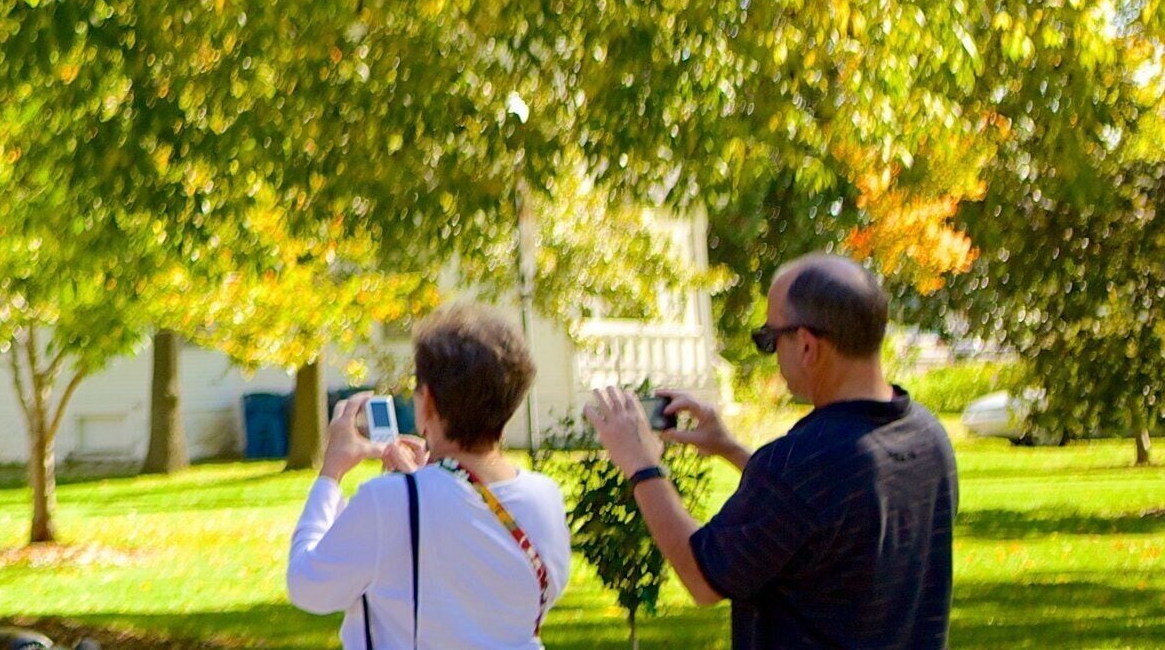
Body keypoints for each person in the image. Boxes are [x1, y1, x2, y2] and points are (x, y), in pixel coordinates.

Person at [586, 252, 954, 650]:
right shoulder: (927, 435)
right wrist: (730, 448)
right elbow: (824, 513)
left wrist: (641, 464)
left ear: (808, 346)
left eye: (769, 339)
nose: (772, 353)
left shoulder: (801, 464)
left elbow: (703, 577)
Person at [284, 306, 572, 649]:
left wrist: (331, 474)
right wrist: (427, 482)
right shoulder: (546, 496)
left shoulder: (391, 501)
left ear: (429, 402)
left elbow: (308, 586)